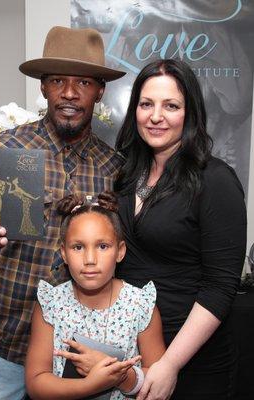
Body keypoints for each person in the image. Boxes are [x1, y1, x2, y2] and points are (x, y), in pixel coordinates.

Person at [0, 26, 125, 400]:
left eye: (83, 82)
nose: (69, 92)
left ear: (100, 91)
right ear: (43, 87)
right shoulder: (3, 150)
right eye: (58, 80)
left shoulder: (115, 169)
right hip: (5, 349)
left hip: (78, 357)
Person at [114, 59, 247, 400]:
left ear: (190, 114)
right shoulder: (126, 176)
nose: (156, 116)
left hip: (192, 360)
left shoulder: (215, 180)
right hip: (132, 351)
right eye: (146, 104)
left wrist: (171, 363)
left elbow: (220, 287)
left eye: (170, 106)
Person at [26, 191, 165, 399]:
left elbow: (159, 382)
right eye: (78, 247)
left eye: (102, 246)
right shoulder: (51, 304)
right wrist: (91, 385)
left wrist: (119, 376)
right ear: (63, 253)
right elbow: (36, 383)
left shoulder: (140, 305)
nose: (90, 259)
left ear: (120, 251)